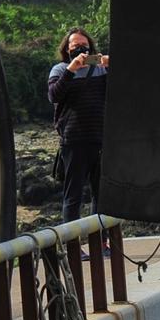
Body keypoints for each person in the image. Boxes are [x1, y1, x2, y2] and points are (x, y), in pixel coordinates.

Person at [47, 27, 109, 224]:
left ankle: (102, 241)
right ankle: (73, 246)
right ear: (67, 49)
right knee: (73, 196)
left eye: (85, 46)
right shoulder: (59, 70)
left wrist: (107, 62)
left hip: (101, 138)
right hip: (73, 140)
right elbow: (53, 96)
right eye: (75, 46)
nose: (81, 50)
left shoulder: (100, 68)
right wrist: (71, 69)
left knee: (101, 195)